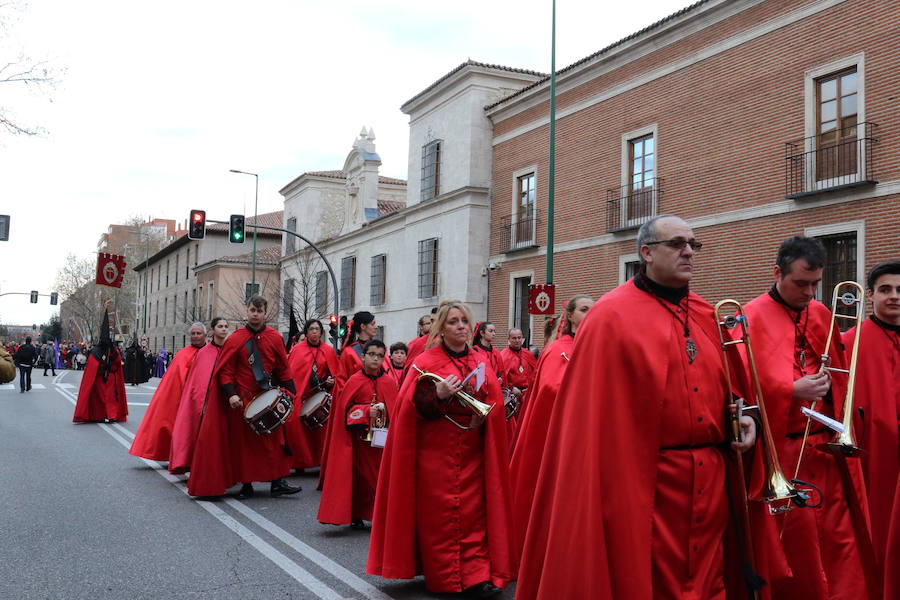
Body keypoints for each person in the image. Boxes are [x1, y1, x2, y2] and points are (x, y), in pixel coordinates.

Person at [517, 215, 761, 599]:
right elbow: (592, 418)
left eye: (693, 245)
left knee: (711, 580)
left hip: (710, 481)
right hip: (644, 486)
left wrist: (746, 419)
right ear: (646, 252)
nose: (688, 252)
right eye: (677, 243)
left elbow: (732, 391)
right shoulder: (610, 317)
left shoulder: (706, 314)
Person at [742, 236, 868, 598]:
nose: (810, 293)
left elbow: (841, 375)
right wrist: (789, 390)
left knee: (839, 547)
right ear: (777, 272)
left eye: (816, 284)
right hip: (782, 454)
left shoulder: (820, 313)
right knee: (797, 552)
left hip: (826, 455)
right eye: (800, 284)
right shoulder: (750, 317)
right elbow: (735, 386)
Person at [367, 300, 514, 599]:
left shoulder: (479, 360)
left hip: (472, 449)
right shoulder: (426, 361)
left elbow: (493, 403)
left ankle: (476, 576)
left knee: (474, 514)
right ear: (441, 329)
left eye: (464, 321)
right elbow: (410, 409)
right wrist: (437, 394)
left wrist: (482, 417)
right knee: (440, 517)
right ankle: (445, 577)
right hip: (435, 452)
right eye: (453, 322)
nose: (461, 326)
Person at [187, 295, 300, 498]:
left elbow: (283, 368)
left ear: (265, 313)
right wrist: (231, 395)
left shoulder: (274, 337)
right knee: (245, 446)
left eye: (259, 311)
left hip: (268, 395)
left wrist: (291, 392)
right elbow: (226, 371)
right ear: (247, 311)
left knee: (274, 441)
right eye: (252, 310)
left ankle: (277, 481)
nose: (255, 314)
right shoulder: (236, 339)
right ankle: (246, 484)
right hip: (244, 399)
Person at [508, 295, 592, 557]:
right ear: (570, 317)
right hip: (561, 436)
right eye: (584, 309)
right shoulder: (559, 349)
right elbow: (551, 388)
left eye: (594, 309)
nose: (590, 313)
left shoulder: (592, 345)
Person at [841, 260, 900, 576]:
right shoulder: (850, 342)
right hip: (872, 459)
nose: (894, 296)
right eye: (885, 289)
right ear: (871, 295)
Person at [318, 339, 397, 528]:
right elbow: (344, 413)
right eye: (372, 355)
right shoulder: (354, 381)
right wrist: (364, 412)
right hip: (358, 443)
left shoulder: (388, 382)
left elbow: (396, 412)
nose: (376, 359)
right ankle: (357, 514)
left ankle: (379, 515)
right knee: (361, 480)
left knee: (380, 481)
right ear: (363, 357)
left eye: (380, 356)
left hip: (381, 442)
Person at [129, 323, 206, 462]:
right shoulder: (182, 354)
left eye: (198, 333)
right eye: (193, 333)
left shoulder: (210, 352)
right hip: (185, 399)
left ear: (205, 335)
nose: (195, 336)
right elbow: (174, 381)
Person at [169, 318, 230, 474]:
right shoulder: (203, 353)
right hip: (204, 401)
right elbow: (196, 382)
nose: (223, 329)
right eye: (220, 326)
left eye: (225, 327)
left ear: (205, 334)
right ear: (213, 330)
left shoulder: (230, 350)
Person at [283, 318, 340, 473]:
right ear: (306, 332)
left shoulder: (328, 351)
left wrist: (331, 380)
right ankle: (300, 461)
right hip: (302, 395)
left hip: (321, 394)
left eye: (317, 329)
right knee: (293, 422)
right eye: (312, 329)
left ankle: (321, 461)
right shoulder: (298, 350)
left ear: (321, 332)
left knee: (324, 425)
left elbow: (336, 374)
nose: (315, 332)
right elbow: (294, 374)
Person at [73, 310, 128, 423]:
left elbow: (118, 362)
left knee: (111, 397)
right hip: (100, 378)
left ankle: (112, 415)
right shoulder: (96, 351)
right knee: (101, 398)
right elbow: (92, 368)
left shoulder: (113, 350)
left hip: (111, 378)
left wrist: (113, 353)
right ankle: (101, 415)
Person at [499, 327, 537, 429]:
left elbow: (536, 373)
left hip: (527, 395)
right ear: (509, 339)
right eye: (514, 338)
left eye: (519, 338)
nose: (517, 341)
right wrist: (511, 388)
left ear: (522, 339)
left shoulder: (528, 354)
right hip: (512, 397)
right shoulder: (503, 356)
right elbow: (500, 379)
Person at [338, 311, 378, 381]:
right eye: (372, 324)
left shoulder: (380, 348)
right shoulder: (348, 352)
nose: (376, 327)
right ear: (363, 326)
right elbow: (342, 380)